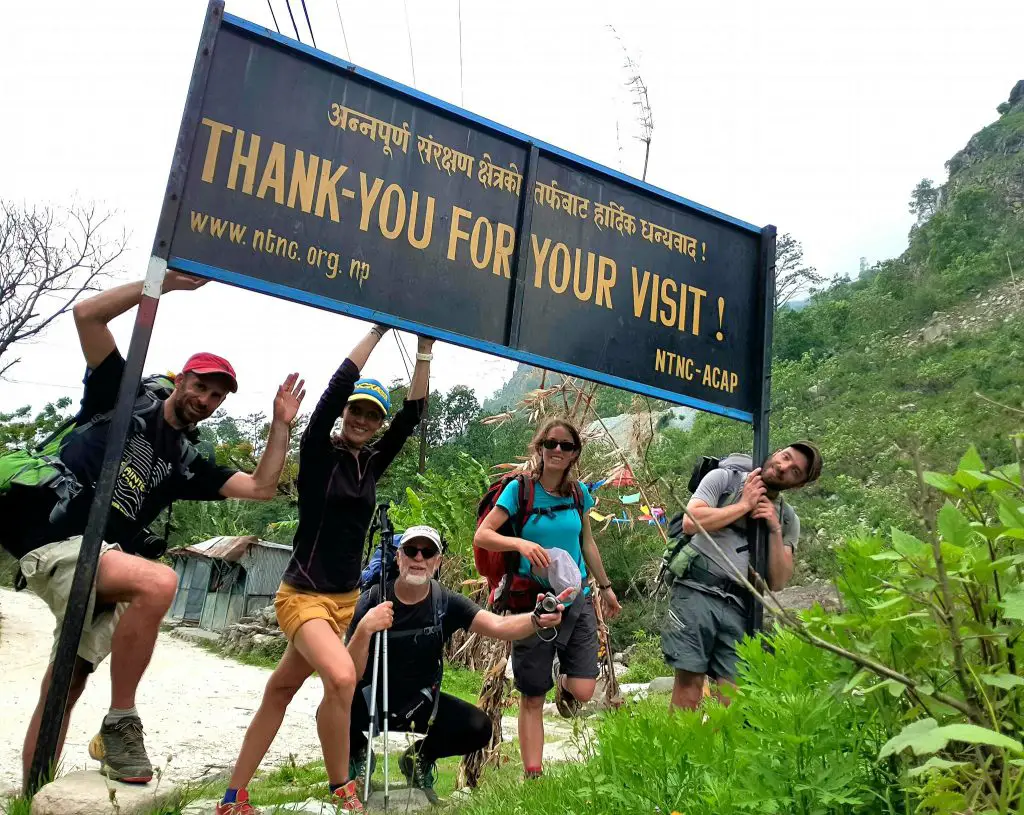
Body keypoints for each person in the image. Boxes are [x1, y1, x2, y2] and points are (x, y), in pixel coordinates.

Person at [0, 271, 305, 791]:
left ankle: (33, 793)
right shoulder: (120, 398)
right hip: (52, 540)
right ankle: (122, 720)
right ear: (182, 379)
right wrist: (160, 283)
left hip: (102, 559)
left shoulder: (186, 461)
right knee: (159, 581)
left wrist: (281, 425)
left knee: (64, 687)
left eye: (217, 396)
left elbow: (260, 487)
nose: (206, 399)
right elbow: (87, 316)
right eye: (201, 385)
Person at [218, 325, 433, 815]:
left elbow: (413, 413)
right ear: (345, 413)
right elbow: (337, 384)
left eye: (371, 414)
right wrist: (377, 330)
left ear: (377, 424)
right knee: (340, 678)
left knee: (282, 688)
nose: (361, 418)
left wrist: (424, 349)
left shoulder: (370, 465)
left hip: (344, 601)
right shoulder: (319, 453)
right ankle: (344, 790)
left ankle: (234, 796)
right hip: (302, 595)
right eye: (356, 409)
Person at [346, 524, 568, 803]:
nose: (418, 558)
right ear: (398, 557)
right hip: (371, 698)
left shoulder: (445, 601)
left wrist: (536, 619)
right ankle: (358, 754)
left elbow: (498, 625)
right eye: (411, 551)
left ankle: (419, 758)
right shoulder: (372, 601)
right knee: (328, 711)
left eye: (427, 552)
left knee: (478, 727)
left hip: (421, 703)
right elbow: (348, 673)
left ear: (437, 561)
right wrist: (366, 628)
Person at [474, 417, 621, 780]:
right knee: (533, 695)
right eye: (551, 444)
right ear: (539, 448)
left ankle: (564, 682)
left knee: (585, 691)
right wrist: (520, 542)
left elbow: (587, 542)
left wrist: (605, 586)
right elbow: (483, 535)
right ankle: (534, 775)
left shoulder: (578, 494)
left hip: (578, 599)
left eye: (566, 446)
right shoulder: (519, 491)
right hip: (534, 605)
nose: (557, 450)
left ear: (574, 453)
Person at [661, 442, 823, 711]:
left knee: (734, 700)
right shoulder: (724, 478)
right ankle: (678, 752)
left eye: (794, 471)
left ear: (799, 485)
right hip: (697, 589)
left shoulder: (787, 519)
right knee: (689, 687)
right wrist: (744, 504)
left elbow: (779, 581)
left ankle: (718, 752)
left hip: (741, 605)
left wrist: (773, 529)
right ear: (777, 451)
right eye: (785, 457)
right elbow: (692, 521)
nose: (783, 467)